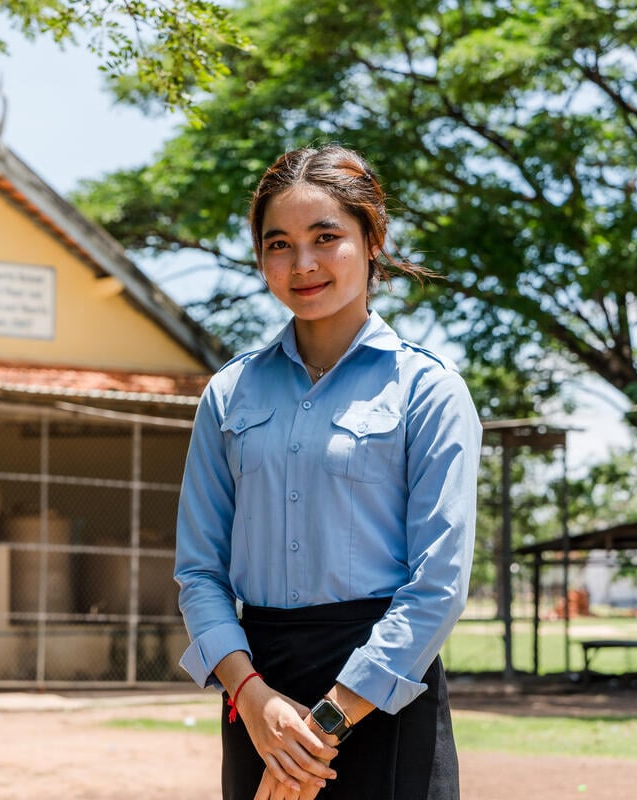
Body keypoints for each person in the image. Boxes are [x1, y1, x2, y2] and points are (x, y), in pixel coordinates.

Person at [174, 144, 481, 800]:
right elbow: (199, 573)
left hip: (386, 693)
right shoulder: (229, 395)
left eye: (326, 237)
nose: (303, 263)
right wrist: (255, 704)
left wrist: (325, 725)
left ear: (372, 240)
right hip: (260, 697)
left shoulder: (427, 389)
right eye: (278, 243)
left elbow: (439, 585)